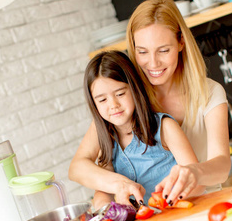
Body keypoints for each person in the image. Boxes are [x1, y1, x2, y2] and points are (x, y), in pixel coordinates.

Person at [69, 0, 231, 209]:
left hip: (203, 205)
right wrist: (117, 186)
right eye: (142, 52)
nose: (153, 63)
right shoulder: (127, 96)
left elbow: (222, 164)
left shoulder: (210, 93)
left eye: (163, 50)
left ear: (181, 42)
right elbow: (79, 167)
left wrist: (194, 172)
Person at [82, 50, 203, 207]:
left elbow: (197, 183)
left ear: (134, 89)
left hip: (177, 214)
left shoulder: (165, 127)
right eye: (103, 100)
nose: (113, 105)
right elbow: (105, 189)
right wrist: (103, 205)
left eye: (120, 94)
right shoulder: (107, 140)